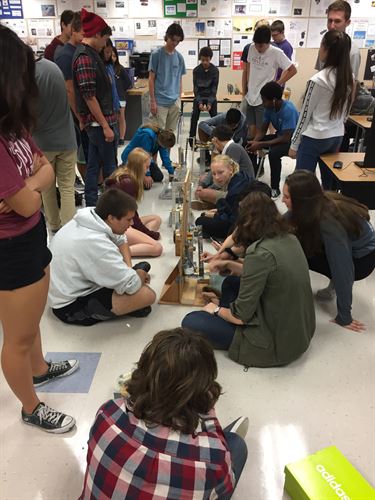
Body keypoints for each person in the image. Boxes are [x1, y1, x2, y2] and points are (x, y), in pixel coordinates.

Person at [0, 26, 77, 434]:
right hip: (10, 247)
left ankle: (41, 370)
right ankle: (30, 407)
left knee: (32, 326)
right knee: (18, 336)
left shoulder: (12, 126)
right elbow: (30, 198)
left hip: (31, 235)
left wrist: (31, 179)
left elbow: (44, 166)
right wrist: (33, 182)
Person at [79, 328, 248, 499]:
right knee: (236, 446)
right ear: (204, 391)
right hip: (209, 459)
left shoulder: (107, 413)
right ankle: (222, 438)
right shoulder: (213, 461)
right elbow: (226, 485)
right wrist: (209, 416)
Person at [183, 192, 316, 367]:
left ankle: (224, 315)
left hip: (275, 344)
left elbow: (240, 317)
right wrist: (229, 263)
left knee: (191, 320)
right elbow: (263, 272)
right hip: (297, 331)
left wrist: (216, 309)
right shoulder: (289, 237)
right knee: (231, 282)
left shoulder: (259, 253)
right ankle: (224, 310)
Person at [283, 170, 375, 333]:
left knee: (299, 250)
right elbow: (285, 220)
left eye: (287, 197)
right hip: (351, 248)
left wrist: (344, 316)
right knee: (299, 237)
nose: (282, 200)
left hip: (362, 261)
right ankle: (333, 286)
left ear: (301, 200)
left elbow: (343, 268)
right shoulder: (317, 200)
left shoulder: (329, 220)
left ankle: (333, 289)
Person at [48, 188, 156, 326]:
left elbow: (121, 238)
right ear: (111, 218)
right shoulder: (96, 243)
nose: (132, 224)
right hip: (69, 306)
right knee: (147, 295)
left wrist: (129, 270)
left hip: (73, 286)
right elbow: (133, 286)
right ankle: (117, 305)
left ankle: (126, 281)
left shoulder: (93, 216)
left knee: (135, 275)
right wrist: (138, 275)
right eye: (128, 220)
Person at [289, 30, 354, 190]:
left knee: (302, 185)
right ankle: (327, 212)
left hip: (315, 138)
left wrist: (294, 144)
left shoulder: (318, 80)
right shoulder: (349, 77)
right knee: (329, 185)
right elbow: (346, 111)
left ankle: (302, 214)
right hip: (336, 136)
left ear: (326, 49)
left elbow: (304, 115)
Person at [72, 9, 117, 207]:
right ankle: (113, 206)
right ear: (97, 34)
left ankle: (92, 203)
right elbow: (89, 97)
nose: (105, 43)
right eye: (105, 38)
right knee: (109, 166)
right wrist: (105, 125)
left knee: (93, 164)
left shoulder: (92, 54)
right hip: (100, 124)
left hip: (98, 122)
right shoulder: (85, 58)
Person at [33, 57, 77, 233]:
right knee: (67, 187)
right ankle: (69, 230)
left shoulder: (25, 76)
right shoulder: (53, 67)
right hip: (67, 138)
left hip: (42, 142)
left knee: (47, 188)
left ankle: (54, 226)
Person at [105, 148, 163, 257]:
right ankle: (118, 252)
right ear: (139, 166)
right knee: (157, 248)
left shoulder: (124, 176)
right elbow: (133, 218)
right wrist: (149, 234)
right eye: (146, 167)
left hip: (119, 221)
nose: (147, 170)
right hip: (116, 226)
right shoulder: (128, 183)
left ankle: (138, 240)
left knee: (156, 219)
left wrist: (145, 233)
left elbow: (133, 216)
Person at [244, 25, 297, 142]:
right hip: (250, 96)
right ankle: (251, 156)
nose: (258, 48)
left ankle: (259, 156)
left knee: (260, 131)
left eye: (261, 45)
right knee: (250, 130)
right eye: (256, 44)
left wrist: (277, 84)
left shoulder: (276, 52)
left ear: (268, 42)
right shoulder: (251, 48)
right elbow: (248, 68)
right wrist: (246, 89)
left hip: (263, 98)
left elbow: (292, 70)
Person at [246, 82, 299, 199]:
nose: (263, 103)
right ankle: (252, 177)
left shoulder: (288, 110)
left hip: (294, 141)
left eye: (264, 100)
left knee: (274, 154)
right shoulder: (270, 108)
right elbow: (262, 130)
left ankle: (275, 188)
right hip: (280, 136)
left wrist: (261, 144)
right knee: (248, 143)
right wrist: (255, 142)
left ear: (274, 100)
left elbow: (286, 138)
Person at [194, 125, 254, 207]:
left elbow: (225, 178)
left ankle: (218, 205)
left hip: (241, 192)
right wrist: (202, 184)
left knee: (202, 193)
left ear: (215, 140)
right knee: (204, 179)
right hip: (236, 186)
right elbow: (217, 172)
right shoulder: (230, 147)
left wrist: (206, 189)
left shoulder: (233, 148)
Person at [195, 155, 251, 239]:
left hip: (246, 227)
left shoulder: (234, 191)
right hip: (245, 217)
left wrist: (216, 215)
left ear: (230, 170)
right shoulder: (240, 176)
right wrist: (220, 211)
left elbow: (233, 221)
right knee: (220, 203)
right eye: (214, 174)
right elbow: (233, 207)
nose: (217, 177)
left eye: (221, 172)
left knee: (200, 221)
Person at [149, 23, 186, 132]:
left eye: (177, 41)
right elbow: (151, 79)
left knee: (169, 136)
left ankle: (167, 150)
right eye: (173, 40)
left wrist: (179, 99)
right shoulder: (156, 55)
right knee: (157, 135)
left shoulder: (179, 58)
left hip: (174, 103)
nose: (175, 43)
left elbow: (179, 80)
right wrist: (152, 101)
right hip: (159, 102)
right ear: (167, 37)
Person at [316, 0, 361, 79]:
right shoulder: (325, 43)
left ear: (347, 22)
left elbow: (351, 84)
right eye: (330, 21)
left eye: (337, 21)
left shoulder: (353, 52)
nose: (332, 26)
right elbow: (320, 72)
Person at [121, 123, 175, 188]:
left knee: (158, 177)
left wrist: (171, 172)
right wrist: (146, 175)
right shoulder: (147, 136)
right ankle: (126, 169)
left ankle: (136, 174)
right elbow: (144, 157)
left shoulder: (161, 139)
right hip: (131, 158)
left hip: (144, 159)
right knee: (146, 185)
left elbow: (165, 157)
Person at [189, 46, 219, 146]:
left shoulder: (215, 71)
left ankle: (216, 139)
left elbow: (214, 89)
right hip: (199, 97)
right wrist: (200, 102)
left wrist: (210, 103)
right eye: (202, 60)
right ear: (200, 59)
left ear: (210, 59)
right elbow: (196, 89)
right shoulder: (196, 70)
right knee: (194, 117)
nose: (205, 62)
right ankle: (191, 139)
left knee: (215, 118)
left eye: (207, 60)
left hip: (211, 96)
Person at [101, 38, 121, 150]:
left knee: (115, 140)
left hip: (114, 108)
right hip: (106, 112)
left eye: (110, 52)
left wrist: (117, 106)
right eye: (106, 52)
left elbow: (114, 90)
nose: (109, 55)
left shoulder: (109, 67)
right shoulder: (100, 67)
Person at [112, 46, 133, 145]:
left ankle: (121, 137)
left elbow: (128, 83)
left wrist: (121, 90)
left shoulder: (120, 69)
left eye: (114, 56)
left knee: (121, 117)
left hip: (120, 97)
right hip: (110, 98)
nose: (112, 58)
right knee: (113, 118)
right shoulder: (104, 68)